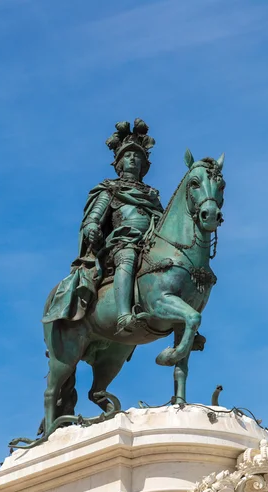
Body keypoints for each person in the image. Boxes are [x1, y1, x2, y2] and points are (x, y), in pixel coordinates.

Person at [43, 119, 163, 334]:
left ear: (144, 164)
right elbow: (93, 219)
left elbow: (163, 222)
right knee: (127, 257)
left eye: (137, 156)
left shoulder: (152, 196)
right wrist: (92, 228)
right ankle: (124, 315)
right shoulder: (110, 189)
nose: (133, 159)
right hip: (120, 244)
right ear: (119, 163)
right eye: (127, 155)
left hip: (149, 245)